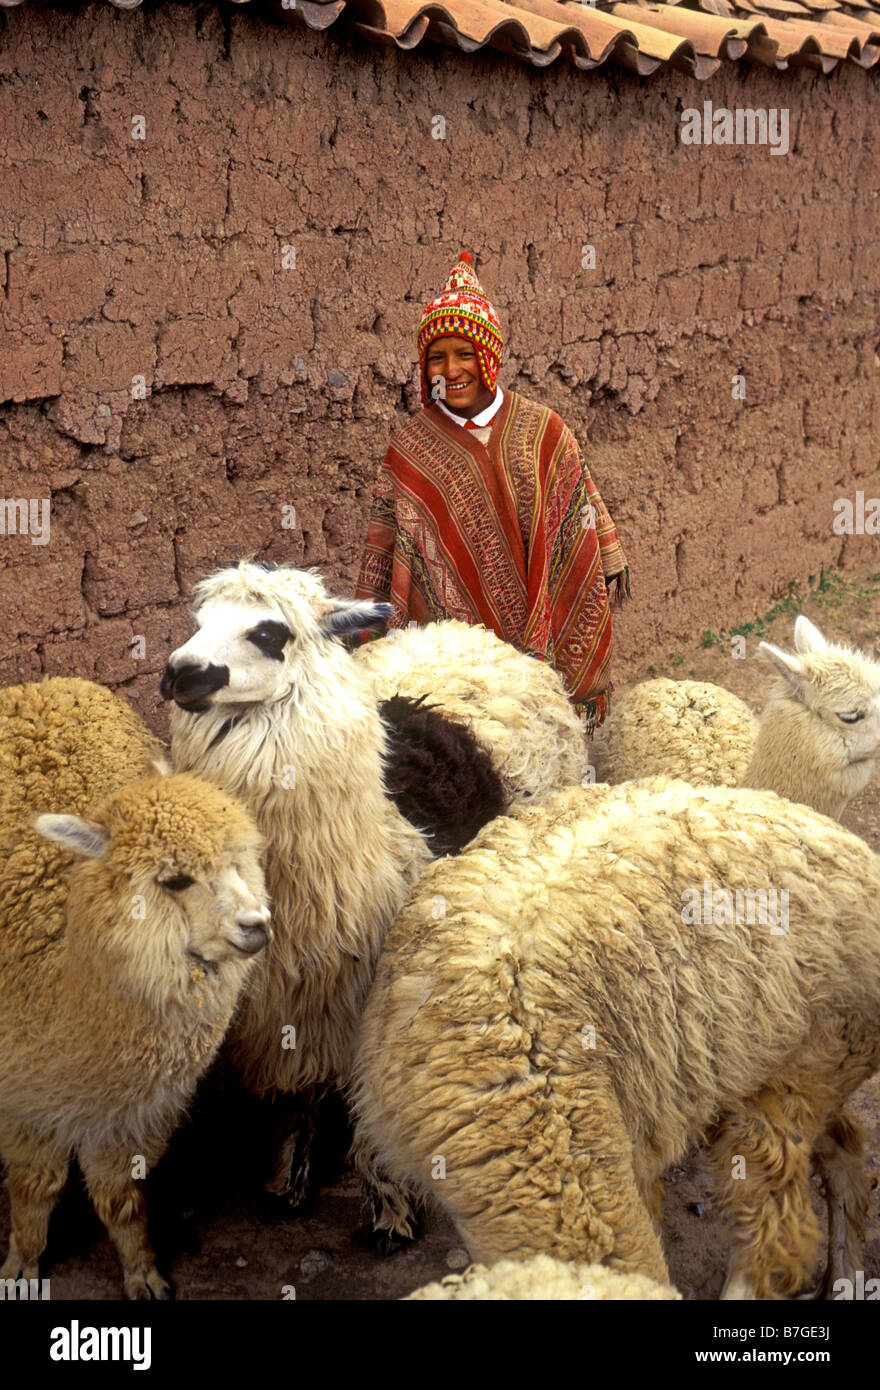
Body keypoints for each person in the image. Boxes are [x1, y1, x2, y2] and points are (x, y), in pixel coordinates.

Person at [355, 251, 630, 733]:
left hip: (545, 635)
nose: (451, 369)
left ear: (489, 357)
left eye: (465, 353)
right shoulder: (410, 450)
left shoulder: (545, 431)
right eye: (436, 357)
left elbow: (582, 542)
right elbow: (385, 564)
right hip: (455, 664)